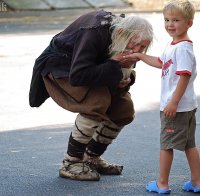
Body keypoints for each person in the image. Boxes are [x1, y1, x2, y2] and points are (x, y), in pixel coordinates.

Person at [29, 10, 153, 181]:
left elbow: (118, 67)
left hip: (91, 69)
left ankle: (91, 158)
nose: (137, 51)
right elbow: (79, 75)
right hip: (62, 67)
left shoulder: (124, 33)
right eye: (135, 44)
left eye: (142, 47)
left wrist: (125, 78)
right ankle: (71, 163)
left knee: (123, 110)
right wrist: (114, 66)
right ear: (121, 34)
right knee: (96, 102)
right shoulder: (94, 30)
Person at [124, 0, 200, 193]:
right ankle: (197, 182)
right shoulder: (174, 45)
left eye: (176, 20)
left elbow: (184, 76)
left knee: (166, 145)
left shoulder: (182, 48)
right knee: (190, 144)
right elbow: (161, 62)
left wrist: (173, 102)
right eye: (167, 20)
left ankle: (162, 183)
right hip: (186, 106)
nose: (170, 24)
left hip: (175, 107)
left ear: (189, 23)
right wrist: (139, 56)